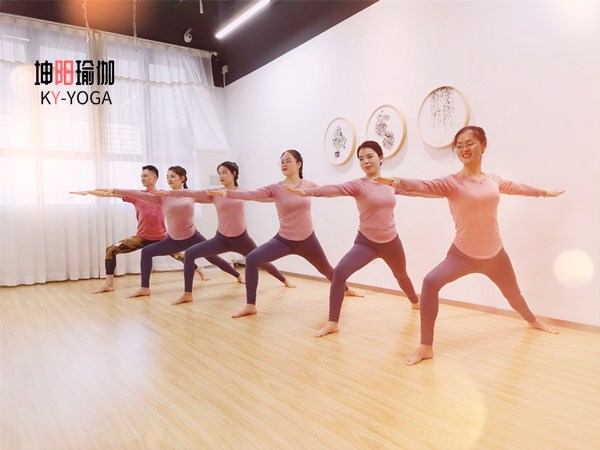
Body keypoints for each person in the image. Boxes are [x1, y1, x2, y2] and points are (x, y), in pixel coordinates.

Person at [376, 126, 564, 365]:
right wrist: (396, 181)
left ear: (483, 145)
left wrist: (544, 193)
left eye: (469, 143)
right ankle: (425, 346)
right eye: (459, 146)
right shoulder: (451, 182)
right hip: (462, 255)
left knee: (514, 294)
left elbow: (517, 188)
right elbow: (423, 185)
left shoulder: (493, 180)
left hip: (495, 255)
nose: (463, 149)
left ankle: (532, 321)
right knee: (430, 282)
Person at [287, 141, 419, 337]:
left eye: (370, 156)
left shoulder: (391, 184)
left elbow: (417, 190)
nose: (365, 161)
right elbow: (333, 189)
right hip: (366, 243)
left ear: (380, 158)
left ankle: (415, 302)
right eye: (361, 158)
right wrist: (307, 192)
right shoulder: (358, 185)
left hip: (391, 241)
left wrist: (443, 192)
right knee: (340, 272)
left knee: (401, 275)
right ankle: (333, 322)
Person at [210, 150, 360, 318]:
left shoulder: (308, 185)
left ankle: (345, 289)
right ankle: (250, 305)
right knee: (252, 259)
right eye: (282, 161)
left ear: (299, 164)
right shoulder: (276, 188)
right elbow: (252, 194)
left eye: (288, 161)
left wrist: (351, 190)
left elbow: (326, 191)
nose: (284, 164)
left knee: (326, 269)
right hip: (284, 240)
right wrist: (227, 193)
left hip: (307, 240)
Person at [157, 161, 296, 305]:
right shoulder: (215, 193)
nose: (221, 176)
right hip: (221, 239)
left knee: (262, 261)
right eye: (219, 173)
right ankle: (187, 294)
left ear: (233, 174)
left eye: (224, 172)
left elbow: (264, 197)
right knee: (190, 254)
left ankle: (284, 280)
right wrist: (169, 192)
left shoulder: (242, 193)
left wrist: (285, 195)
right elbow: (193, 193)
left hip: (242, 239)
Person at [107, 165, 243, 298]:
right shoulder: (164, 196)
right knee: (146, 252)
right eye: (167, 177)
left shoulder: (191, 194)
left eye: (173, 176)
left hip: (192, 237)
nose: (169, 179)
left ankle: (238, 275)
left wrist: (229, 193)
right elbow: (138, 194)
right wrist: (115, 190)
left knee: (213, 258)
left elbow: (212, 195)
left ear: (182, 178)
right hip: (173, 240)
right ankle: (144, 288)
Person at [70, 165, 208, 293]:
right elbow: (111, 192)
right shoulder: (137, 195)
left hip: (162, 238)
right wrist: (89, 192)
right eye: (141, 176)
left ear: (155, 178)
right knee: (111, 250)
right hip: (142, 237)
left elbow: (183, 195)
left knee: (182, 256)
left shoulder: (163, 195)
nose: (142, 178)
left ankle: (199, 270)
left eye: (145, 176)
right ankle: (109, 284)